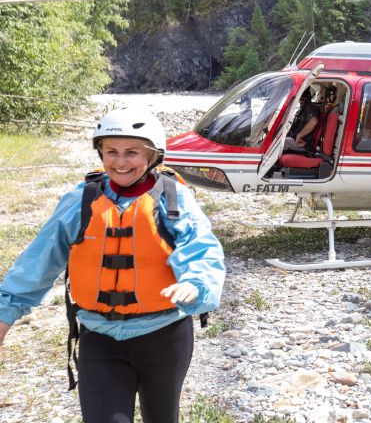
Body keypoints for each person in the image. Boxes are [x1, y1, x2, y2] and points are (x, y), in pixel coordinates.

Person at [0, 107, 225, 423]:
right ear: (100, 153)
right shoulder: (82, 200)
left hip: (164, 336)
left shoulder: (172, 198)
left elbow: (201, 247)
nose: (121, 161)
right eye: (112, 152)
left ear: (152, 156)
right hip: (99, 337)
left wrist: (196, 283)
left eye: (132, 152)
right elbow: (39, 260)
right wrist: (6, 313)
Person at [283, 88, 322, 153]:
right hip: (293, 139)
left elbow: (314, 121)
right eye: (299, 99)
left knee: (277, 145)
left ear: (308, 98)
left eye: (302, 99)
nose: (300, 101)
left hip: (302, 143)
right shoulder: (300, 110)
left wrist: (299, 135)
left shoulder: (310, 106)